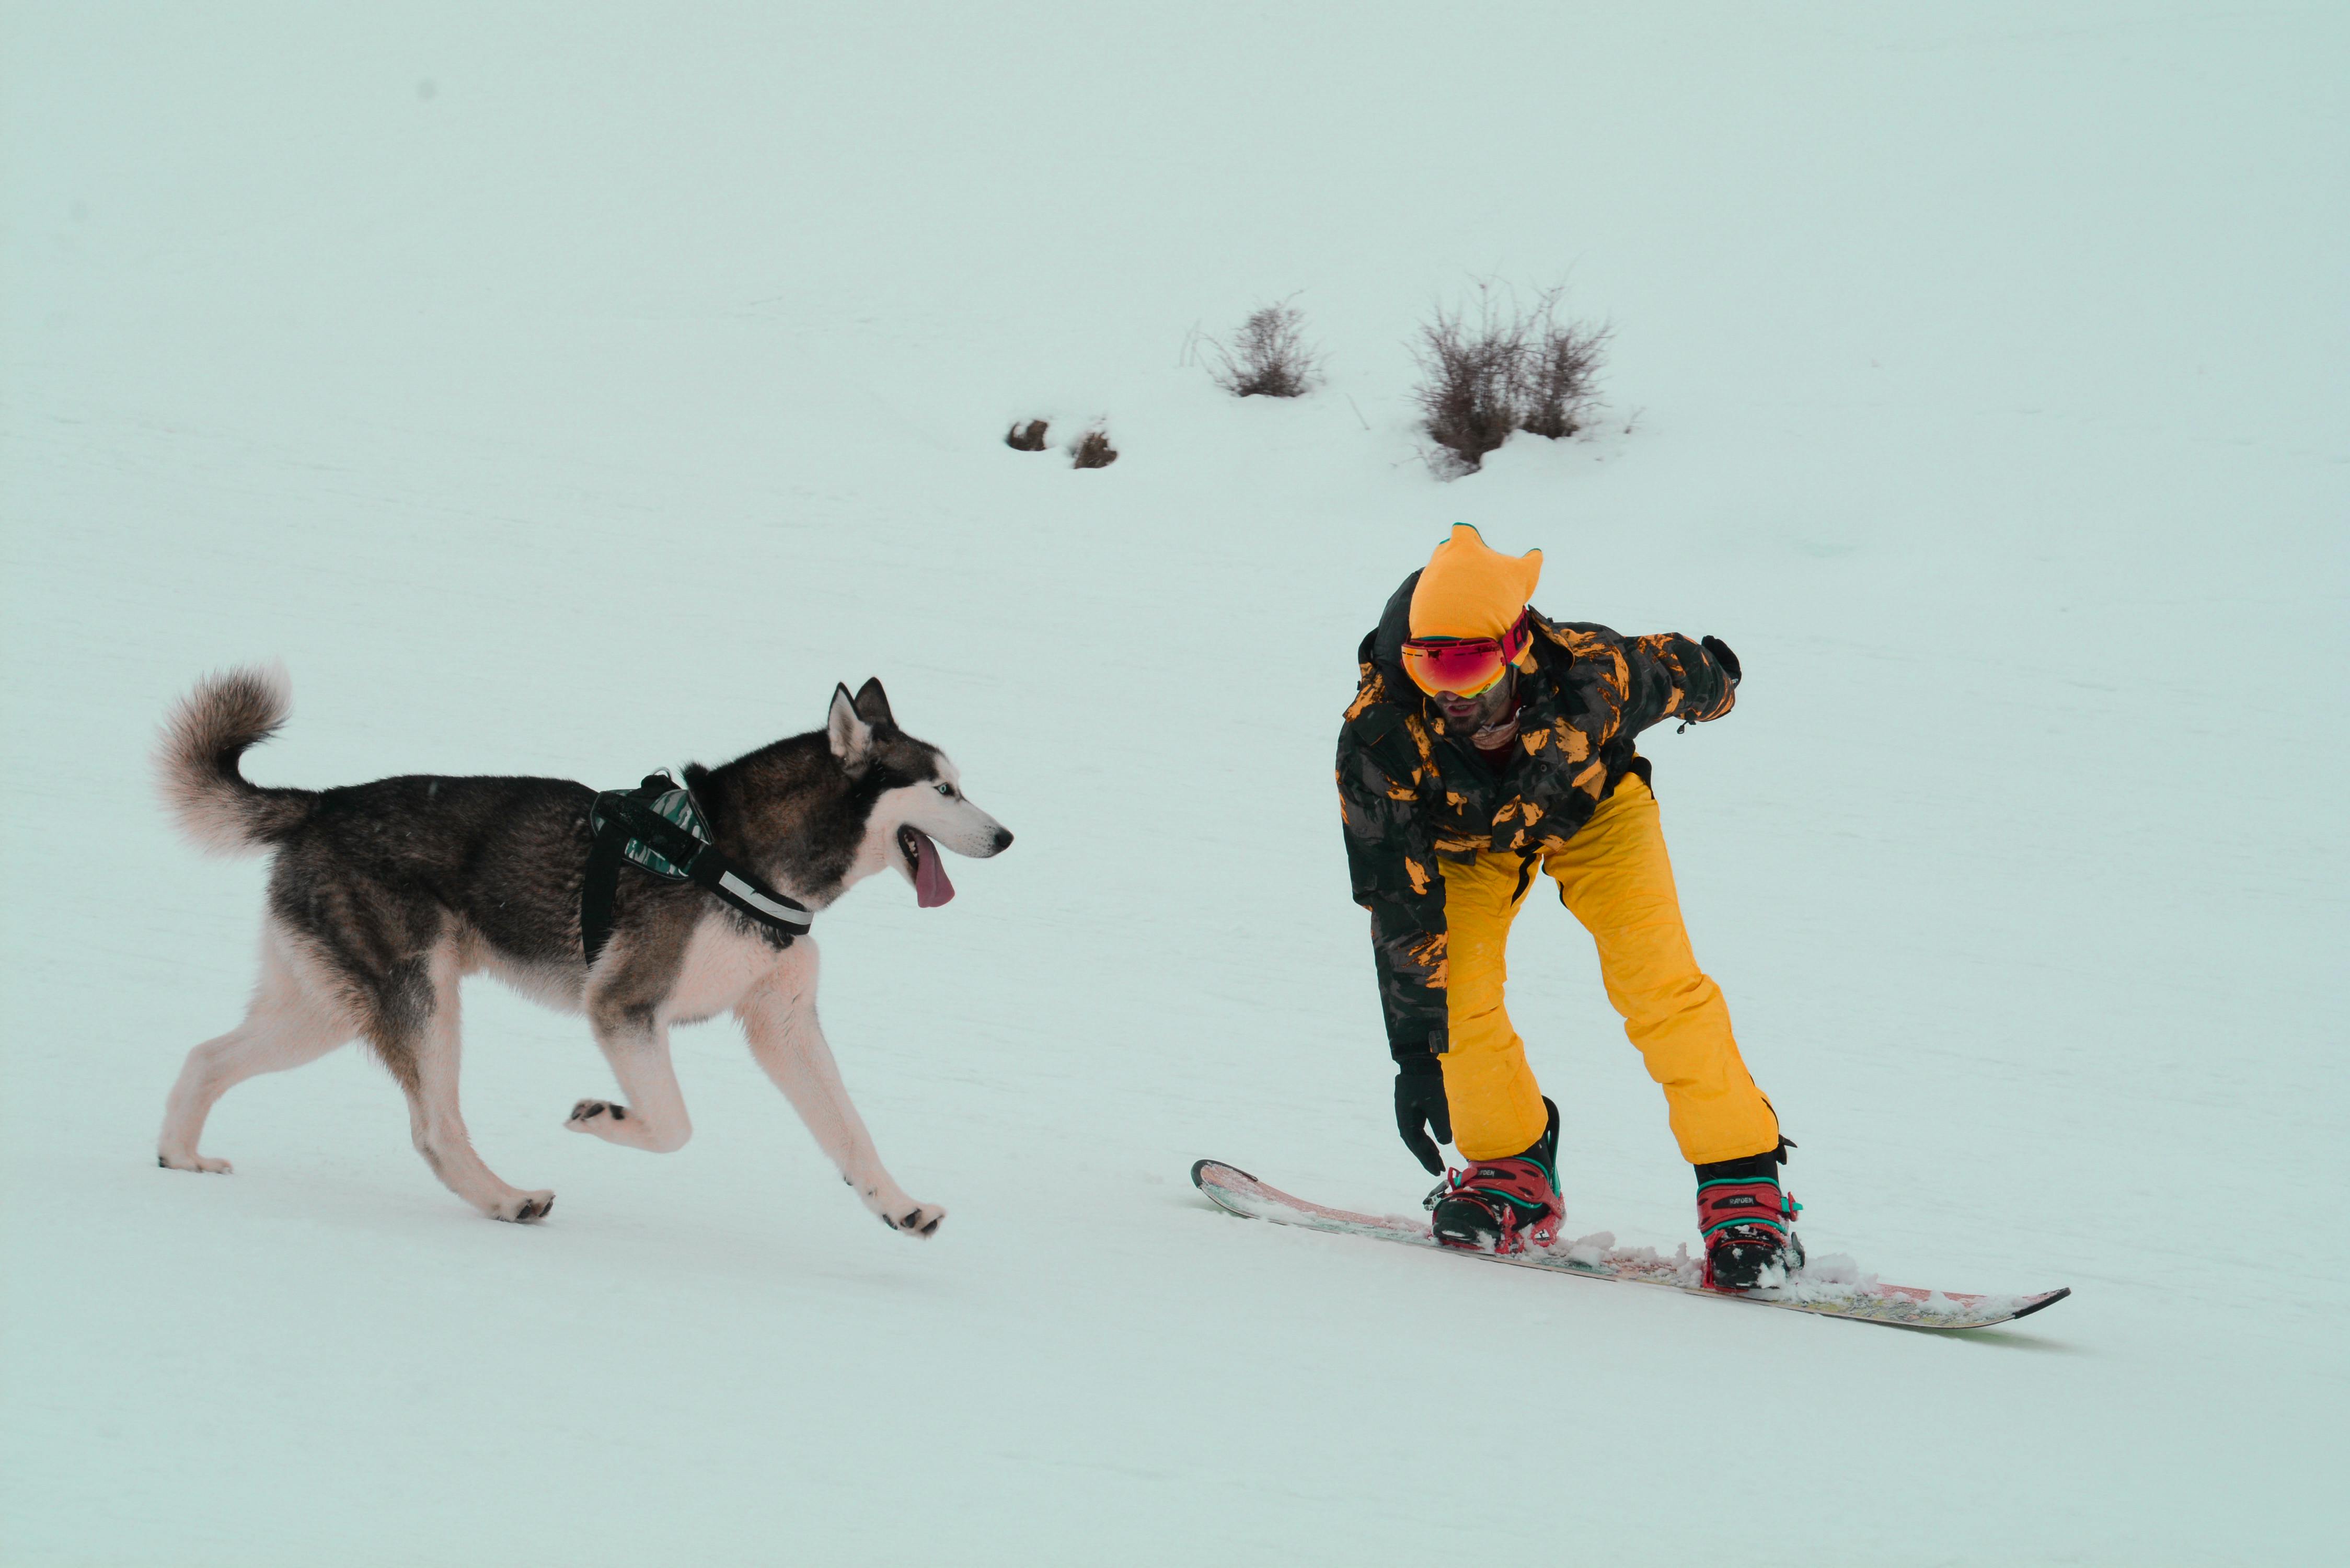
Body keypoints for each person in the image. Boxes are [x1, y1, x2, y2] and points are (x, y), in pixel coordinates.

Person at [1335, 523, 1799, 1288]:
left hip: (1596, 814)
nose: (1449, 693)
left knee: (1659, 986)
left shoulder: (1593, 673)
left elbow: (1676, 669)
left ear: (1515, 646)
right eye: (1430, 667)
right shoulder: (1380, 735)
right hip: (1465, 846)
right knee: (1460, 1001)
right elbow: (1399, 903)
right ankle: (1512, 1169)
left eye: (1472, 664)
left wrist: (1719, 681)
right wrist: (1416, 1056)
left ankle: (1742, 1187)